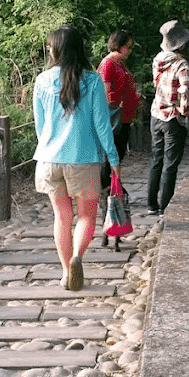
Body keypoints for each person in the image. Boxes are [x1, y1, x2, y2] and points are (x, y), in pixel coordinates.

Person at [33, 26, 120, 290]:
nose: (48, 50)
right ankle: (76, 258)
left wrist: (48, 146)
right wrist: (113, 160)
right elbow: (103, 124)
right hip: (83, 159)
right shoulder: (92, 81)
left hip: (49, 159)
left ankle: (63, 273)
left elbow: (40, 125)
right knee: (85, 217)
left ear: (57, 49)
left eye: (50, 46)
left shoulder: (42, 81)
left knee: (61, 216)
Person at [147, 20, 189, 215]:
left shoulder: (158, 59)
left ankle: (151, 204)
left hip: (156, 114)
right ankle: (166, 205)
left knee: (156, 159)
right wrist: (185, 111)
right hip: (173, 117)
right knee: (171, 163)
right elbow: (185, 89)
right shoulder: (181, 64)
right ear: (181, 44)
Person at [97, 29, 139, 191]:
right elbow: (104, 90)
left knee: (118, 153)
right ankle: (106, 187)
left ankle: (112, 186)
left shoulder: (119, 63)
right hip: (114, 117)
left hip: (123, 117)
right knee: (111, 155)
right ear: (119, 46)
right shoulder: (108, 63)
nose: (129, 50)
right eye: (128, 47)